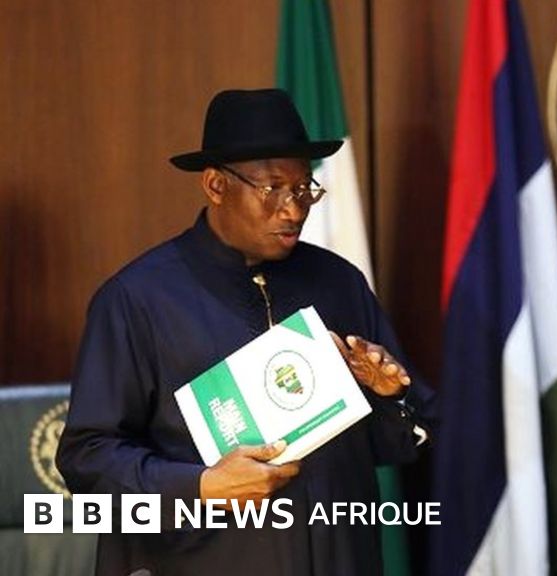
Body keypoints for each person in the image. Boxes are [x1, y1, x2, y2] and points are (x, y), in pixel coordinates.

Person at [56, 88, 434, 576]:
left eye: (304, 188)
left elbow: (396, 444)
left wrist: (389, 395)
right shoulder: (137, 300)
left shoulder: (339, 283)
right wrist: (201, 488)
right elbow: (87, 459)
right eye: (273, 188)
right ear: (216, 185)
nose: (294, 209)